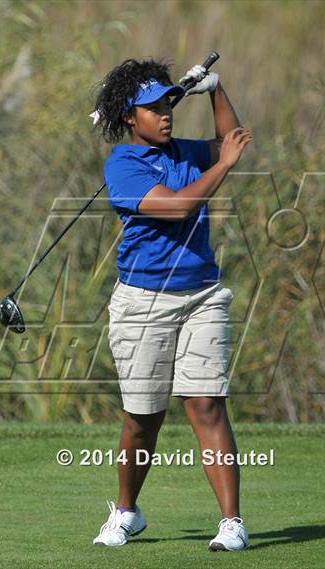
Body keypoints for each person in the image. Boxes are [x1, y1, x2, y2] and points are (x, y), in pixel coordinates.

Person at [89, 57, 253, 552]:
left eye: (168, 102)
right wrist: (223, 165)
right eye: (152, 107)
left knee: (206, 405)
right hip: (143, 302)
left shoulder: (184, 150)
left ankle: (232, 523)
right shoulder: (121, 164)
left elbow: (230, 138)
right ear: (129, 117)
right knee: (143, 417)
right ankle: (126, 512)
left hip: (202, 294)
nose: (165, 113)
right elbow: (179, 205)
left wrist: (216, 91)